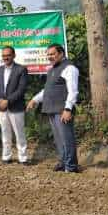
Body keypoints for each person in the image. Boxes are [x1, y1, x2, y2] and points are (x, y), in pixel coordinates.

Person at [27, 44, 80, 172]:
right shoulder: (52, 70)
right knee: (59, 139)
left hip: (63, 110)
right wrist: (35, 99)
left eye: (53, 54)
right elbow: (47, 89)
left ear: (61, 53)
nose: (50, 57)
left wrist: (68, 109)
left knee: (67, 138)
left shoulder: (70, 68)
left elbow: (73, 91)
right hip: (52, 109)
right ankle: (63, 162)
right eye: (48, 54)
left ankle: (71, 166)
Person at [0, 46, 29, 165]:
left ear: (13, 55)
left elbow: (21, 89)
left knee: (19, 133)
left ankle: (23, 158)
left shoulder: (21, 69)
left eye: (8, 55)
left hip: (16, 107)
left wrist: (8, 101)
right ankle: (6, 156)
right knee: (5, 133)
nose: (5, 57)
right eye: (3, 55)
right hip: (2, 108)